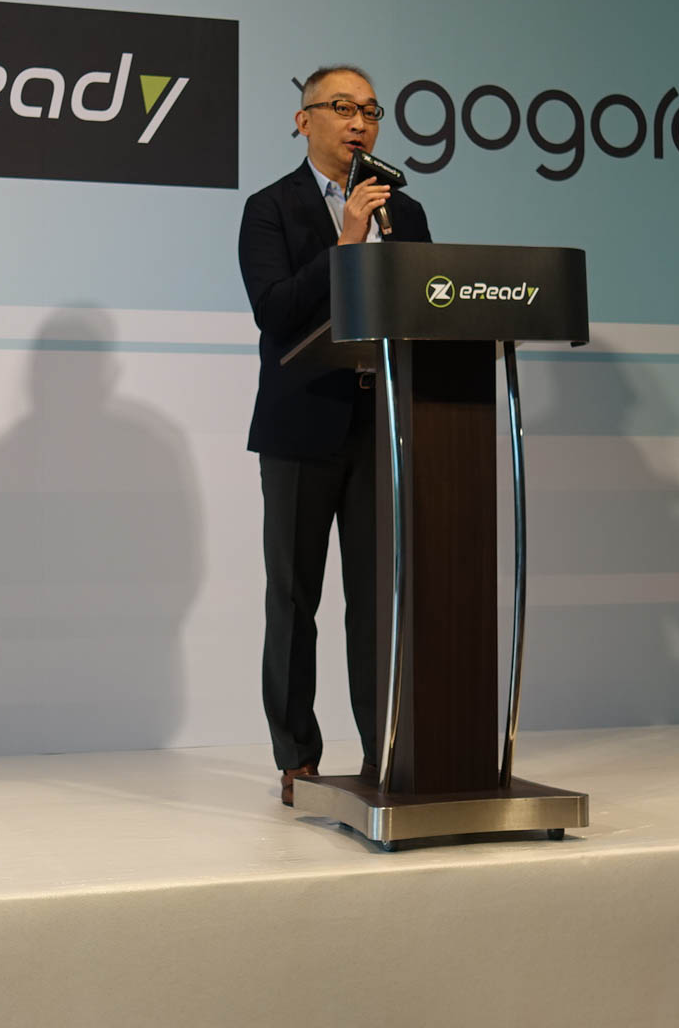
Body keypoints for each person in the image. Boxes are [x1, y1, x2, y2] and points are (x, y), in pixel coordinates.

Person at [236, 64, 432, 805]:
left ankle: (386, 748)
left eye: (371, 111)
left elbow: (428, 307)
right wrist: (345, 243)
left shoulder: (403, 210)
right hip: (300, 429)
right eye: (343, 108)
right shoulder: (271, 209)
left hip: (383, 426)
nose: (360, 123)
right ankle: (297, 756)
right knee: (295, 600)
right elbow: (276, 312)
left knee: (377, 603)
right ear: (304, 120)